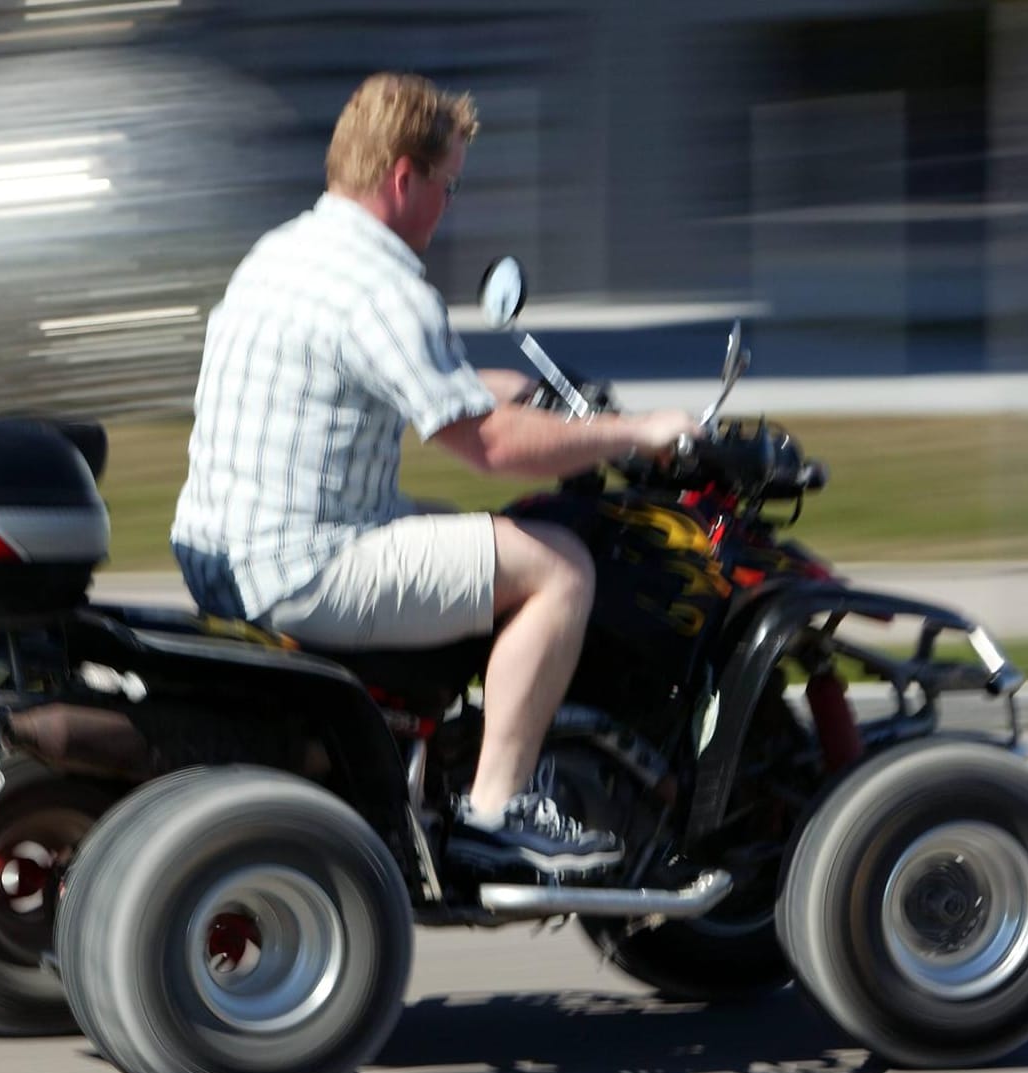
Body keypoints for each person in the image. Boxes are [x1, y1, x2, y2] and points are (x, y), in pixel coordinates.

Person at [171, 72, 698, 874]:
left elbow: (405, 381)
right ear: (403, 177)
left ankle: (445, 749)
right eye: (449, 185)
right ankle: (499, 807)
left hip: (225, 550)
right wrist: (635, 434)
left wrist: (511, 391)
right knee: (558, 567)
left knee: (480, 533)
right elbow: (488, 447)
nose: (449, 206)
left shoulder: (289, 252)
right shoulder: (384, 286)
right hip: (306, 564)